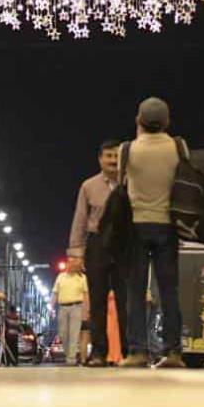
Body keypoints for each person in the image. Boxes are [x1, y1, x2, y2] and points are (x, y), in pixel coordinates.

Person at [122, 97, 186, 369]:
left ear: (139, 121)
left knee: (136, 291)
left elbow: (122, 185)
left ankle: (137, 351)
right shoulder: (179, 147)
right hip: (168, 225)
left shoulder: (128, 149)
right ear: (167, 121)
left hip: (136, 225)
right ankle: (173, 351)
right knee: (168, 290)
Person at [68, 140, 128, 366]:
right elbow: (80, 219)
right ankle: (99, 353)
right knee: (98, 300)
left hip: (124, 244)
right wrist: (76, 253)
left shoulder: (129, 183)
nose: (112, 161)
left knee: (125, 299)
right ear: (100, 159)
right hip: (97, 244)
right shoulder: (89, 186)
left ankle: (129, 352)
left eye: (116, 156)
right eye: (108, 156)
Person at [52, 257, 90, 365]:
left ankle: (71, 358)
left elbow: (86, 294)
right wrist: (51, 307)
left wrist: (86, 310)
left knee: (74, 333)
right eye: (70, 263)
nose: (71, 265)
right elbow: (55, 292)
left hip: (77, 307)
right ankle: (69, 354)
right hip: (62, 307)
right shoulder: (61, 277)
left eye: (74, 263)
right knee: (63, 333)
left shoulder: (82, 278)